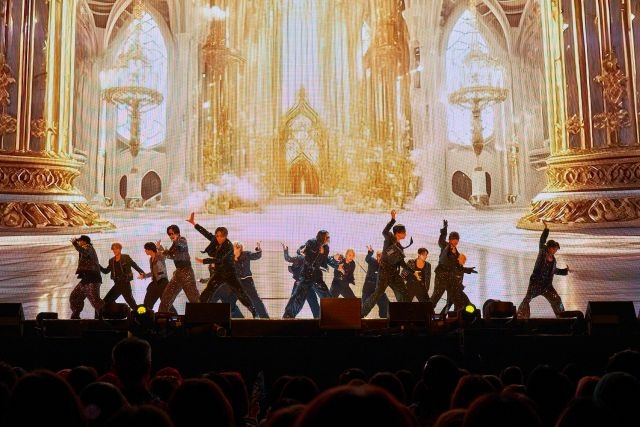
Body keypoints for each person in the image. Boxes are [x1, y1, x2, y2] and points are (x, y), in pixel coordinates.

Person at [187, 212, 257, 317]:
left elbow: (219, 260)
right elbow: (206, 233)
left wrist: (204, 261)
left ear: (225, 236)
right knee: (208, 290)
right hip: (219, 273)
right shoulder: (215, 240)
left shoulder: (228, 246)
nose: (219, 238)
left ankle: (253, 310)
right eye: (217, 236)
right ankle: (198, 310)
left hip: (229, 274)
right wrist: (194, 223)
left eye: (221, 236)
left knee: (240, 292)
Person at [361, 210, 411, 317]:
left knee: (403, 292)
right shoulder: (389, 238)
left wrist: (412, 271)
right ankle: (361, 313)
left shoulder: (400, 247)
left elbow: (401, 262)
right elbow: (384, 231)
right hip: (384, 273)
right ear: (398, 233)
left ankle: (405, 315)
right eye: (404, 232)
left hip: (393, 274)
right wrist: (393, 220)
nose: (406, 234)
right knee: (377, 294)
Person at [517, 221, 569, 319]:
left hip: (547, 285)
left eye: (556, 249)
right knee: (527, 299)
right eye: (554, 249)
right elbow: (542, 241)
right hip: (536, 283)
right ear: (549, 248)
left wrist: (565, 271)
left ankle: (562, 317)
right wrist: (546, 229)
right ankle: (521, 317)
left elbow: (554, 271)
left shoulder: (553, 260)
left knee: (556, 299)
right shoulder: (542, 253)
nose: (555, 251)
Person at [282, 230, 333, 318]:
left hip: (316, 276)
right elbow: (301, 251)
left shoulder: (326, 248)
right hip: (306, 275)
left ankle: (331, 315)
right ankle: (288, 316)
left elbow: (323, 262)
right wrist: (300, 251)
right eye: (327, 237)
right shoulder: (311, 242)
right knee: (298, 298)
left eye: (328, 237)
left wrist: (324, 257)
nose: (329, 238)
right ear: (322, 237)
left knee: (326, 297)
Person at [156, 224, 200, 313]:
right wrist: (160, 248)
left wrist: (177, 240)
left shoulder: (182, 240)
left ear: (178, 233)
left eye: (173, 233)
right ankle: (161, 318)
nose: (171, 236)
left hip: (187, 274)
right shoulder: (174, 244)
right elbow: (170, 255)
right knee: (166, 297)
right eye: (169, 234)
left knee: (194, 299)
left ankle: (205, 318)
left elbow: (181, 245)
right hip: (178, 273)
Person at [100, 242, 145, 311]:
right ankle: (115, 313)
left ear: (120, 249)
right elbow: (106, 271)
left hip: (125, 284)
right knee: (106, 301)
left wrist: (142, 273)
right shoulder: (111, 260)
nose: (114, 250)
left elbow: (134, 265)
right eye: (113, 249)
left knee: (132, 303)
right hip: (117, 284)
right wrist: (97, 265)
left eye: (116, 249)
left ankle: (141, 314)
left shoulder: (126, 257)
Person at [69, 235, 104, 319]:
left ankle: (104, 318)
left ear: (84, 241)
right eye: (78, 241)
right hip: (86, 279)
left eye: (80, 241)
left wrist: (75, 244)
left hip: (93, 279)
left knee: (95, 300)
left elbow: (85, 252)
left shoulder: (88, 247)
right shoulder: (84, 248)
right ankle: (75, 315)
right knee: (75, 296)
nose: (79, 242)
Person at [233, 241, 270, 318]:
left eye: (234, 248)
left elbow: (257, 256)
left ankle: (264, 317)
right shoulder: (230, 258)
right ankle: (251, 315)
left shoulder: (246, 254)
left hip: (247, 280)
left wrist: (258, 248)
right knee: (234, 299)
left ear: (239, 248)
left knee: (255, 299)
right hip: (236, 282)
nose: (232, 249)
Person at [430, 220, 460, 314]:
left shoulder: (456, 251)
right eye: (454, 239)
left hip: (450, 277)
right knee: (436, 295)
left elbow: (457, 264)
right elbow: (441, 241)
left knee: (452, 299)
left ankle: (444, 315)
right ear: (450, 240)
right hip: (441, 276)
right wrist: (445, 230)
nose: (456, 241)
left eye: (457, 239)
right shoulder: (445, 246)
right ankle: (427, 312)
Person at [283, 243, 320, 318]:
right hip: (306, 285)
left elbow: (287, 258)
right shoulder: (308, 259)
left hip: (301, 285)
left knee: (294, 303)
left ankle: (287, 318)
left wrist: (285, 250)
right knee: (314, 304)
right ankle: (318, 319)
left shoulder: (301, 258)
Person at [140, 242, 177, 314]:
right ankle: (146, 317)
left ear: (150, 249)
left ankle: (176, 317)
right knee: (147, 303)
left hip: (162, 283)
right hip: (154, 283)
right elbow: (153, 272)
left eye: (146, 249)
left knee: (166, 304)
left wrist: (159, 246)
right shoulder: (151, 259)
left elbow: (165, 255)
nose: (145, 251)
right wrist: (145, 275)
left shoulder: (159, 255)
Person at [361, 246, 389, 318]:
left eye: (382, 256)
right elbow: (367, 259)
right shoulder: (372, 261)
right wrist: (370, 252)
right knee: (363, 308)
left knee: (386, 305)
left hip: (378, 291)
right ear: (377, 257)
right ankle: (359, 320)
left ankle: (384, 319)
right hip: (368, 290)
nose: (380, 257)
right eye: (379, 255)